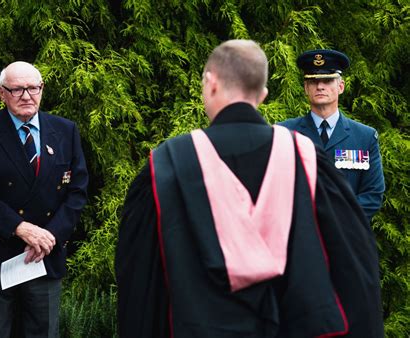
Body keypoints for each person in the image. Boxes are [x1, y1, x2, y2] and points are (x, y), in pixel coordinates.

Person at [115, 40, 384, 337]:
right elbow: (354, 274)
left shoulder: (166, 167)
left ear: (210, 84)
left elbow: (139, 287)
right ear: (263, 95)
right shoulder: (304, 160)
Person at [0, 61, 88, 337]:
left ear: (42, 89)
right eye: (17, 89)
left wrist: (49, 237)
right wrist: (20, 227)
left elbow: (77, 192)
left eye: (33, 88)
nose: (27, 96)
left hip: (44, 257)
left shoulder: (65, 130)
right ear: (1, 92)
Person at [279, 49, 385, 221]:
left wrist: (336, 222)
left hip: (346, 240)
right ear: (306, 88)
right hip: (299, 239)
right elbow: (275, 189)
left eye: (327, 81)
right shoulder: (284, 133)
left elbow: (372, 195)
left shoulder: (364, 138)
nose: (320, 86)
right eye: (313, 81)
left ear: (340, 87)